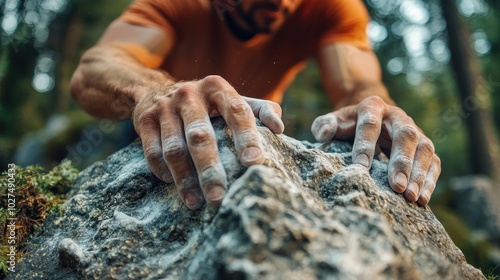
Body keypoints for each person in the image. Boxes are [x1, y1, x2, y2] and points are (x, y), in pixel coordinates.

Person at [70, 0, 441, 210]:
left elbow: (357, 85)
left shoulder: (330, 7)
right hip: (161, 118)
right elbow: (96, 67)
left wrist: (377, 111)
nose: (282, 4)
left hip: (259, 126)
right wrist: (151, 90)